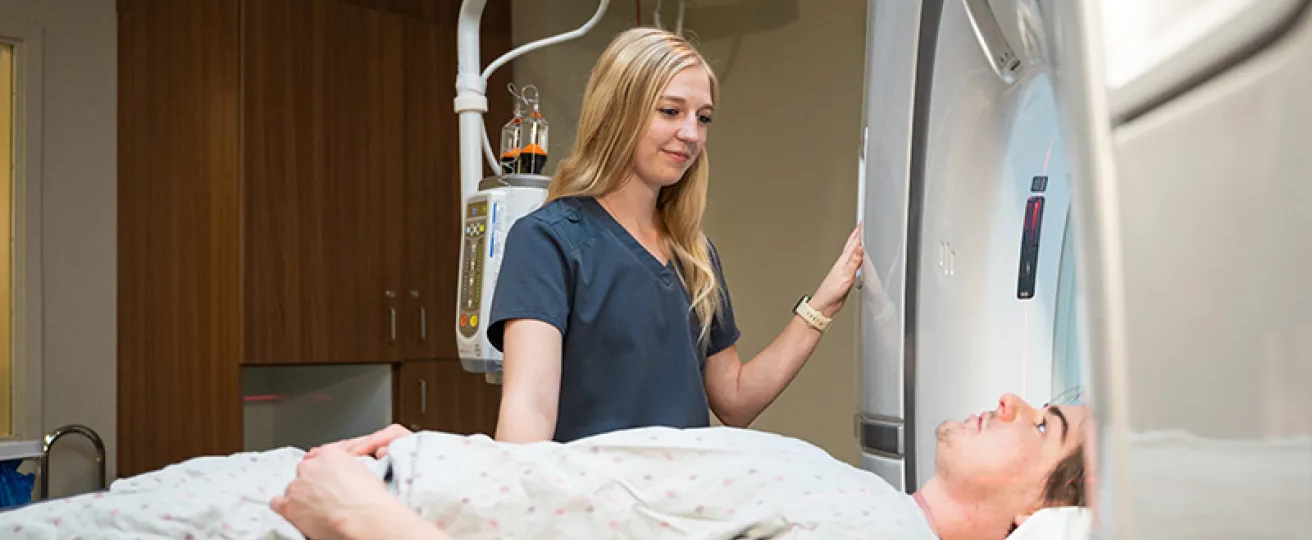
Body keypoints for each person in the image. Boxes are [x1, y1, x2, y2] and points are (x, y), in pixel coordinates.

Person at [0, 392, 1092, 540]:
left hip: (341, 518)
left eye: (1042, 422)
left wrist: (362, 515)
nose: (1008, 400)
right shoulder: (860, 499)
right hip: (370, 477)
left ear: (1034, 514)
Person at [487, 26, 862, 444]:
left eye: (703, 118)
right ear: (617, 112)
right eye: (670, 111)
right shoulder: (546, 242)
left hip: (683, 485)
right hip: (595, 486)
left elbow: (735, 400)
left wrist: (825, 302)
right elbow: (530, 407)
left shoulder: (695, 256)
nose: (692, 134)